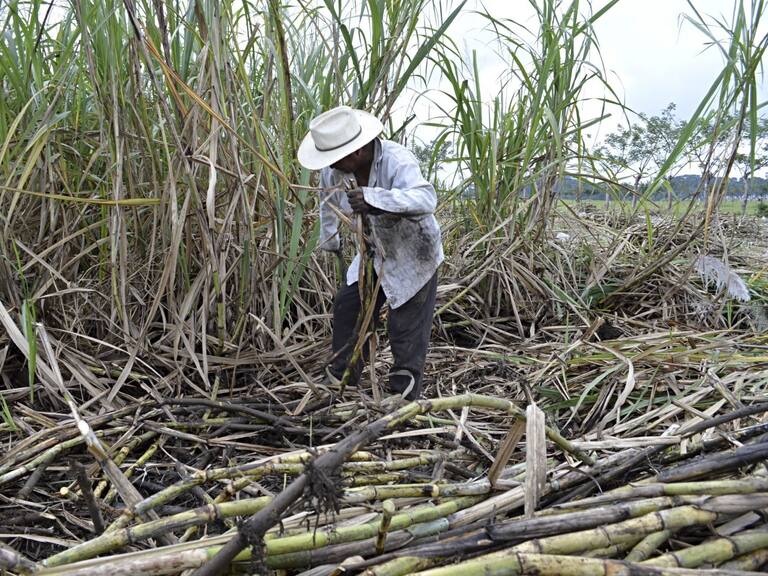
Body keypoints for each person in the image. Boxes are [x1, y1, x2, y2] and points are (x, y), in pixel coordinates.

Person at [297, 106, 443, 400]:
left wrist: (374, 199)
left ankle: (404, 395)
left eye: (337, 158)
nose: (333, 165)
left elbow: (426, 198)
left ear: (359, 151)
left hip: (414, 252)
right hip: (373, 251)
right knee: (348, 306)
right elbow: (328, 205)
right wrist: (330, 240)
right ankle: (343, 377)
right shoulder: (336, 171)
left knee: (405, 323)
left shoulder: (397, 160)